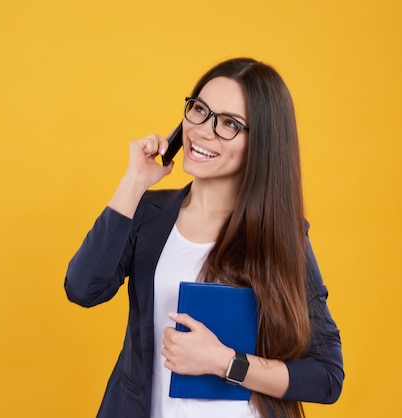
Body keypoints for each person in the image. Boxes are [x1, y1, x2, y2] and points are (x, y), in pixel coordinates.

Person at [64, 57, 344, 418]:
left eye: (229, 123)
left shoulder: (281, 235)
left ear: (261, 143)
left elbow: (326, 375)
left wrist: (224, 361)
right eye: (199, 110)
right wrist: (134, 181)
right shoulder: (149, 214)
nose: (204, 131)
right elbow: (83, 288)